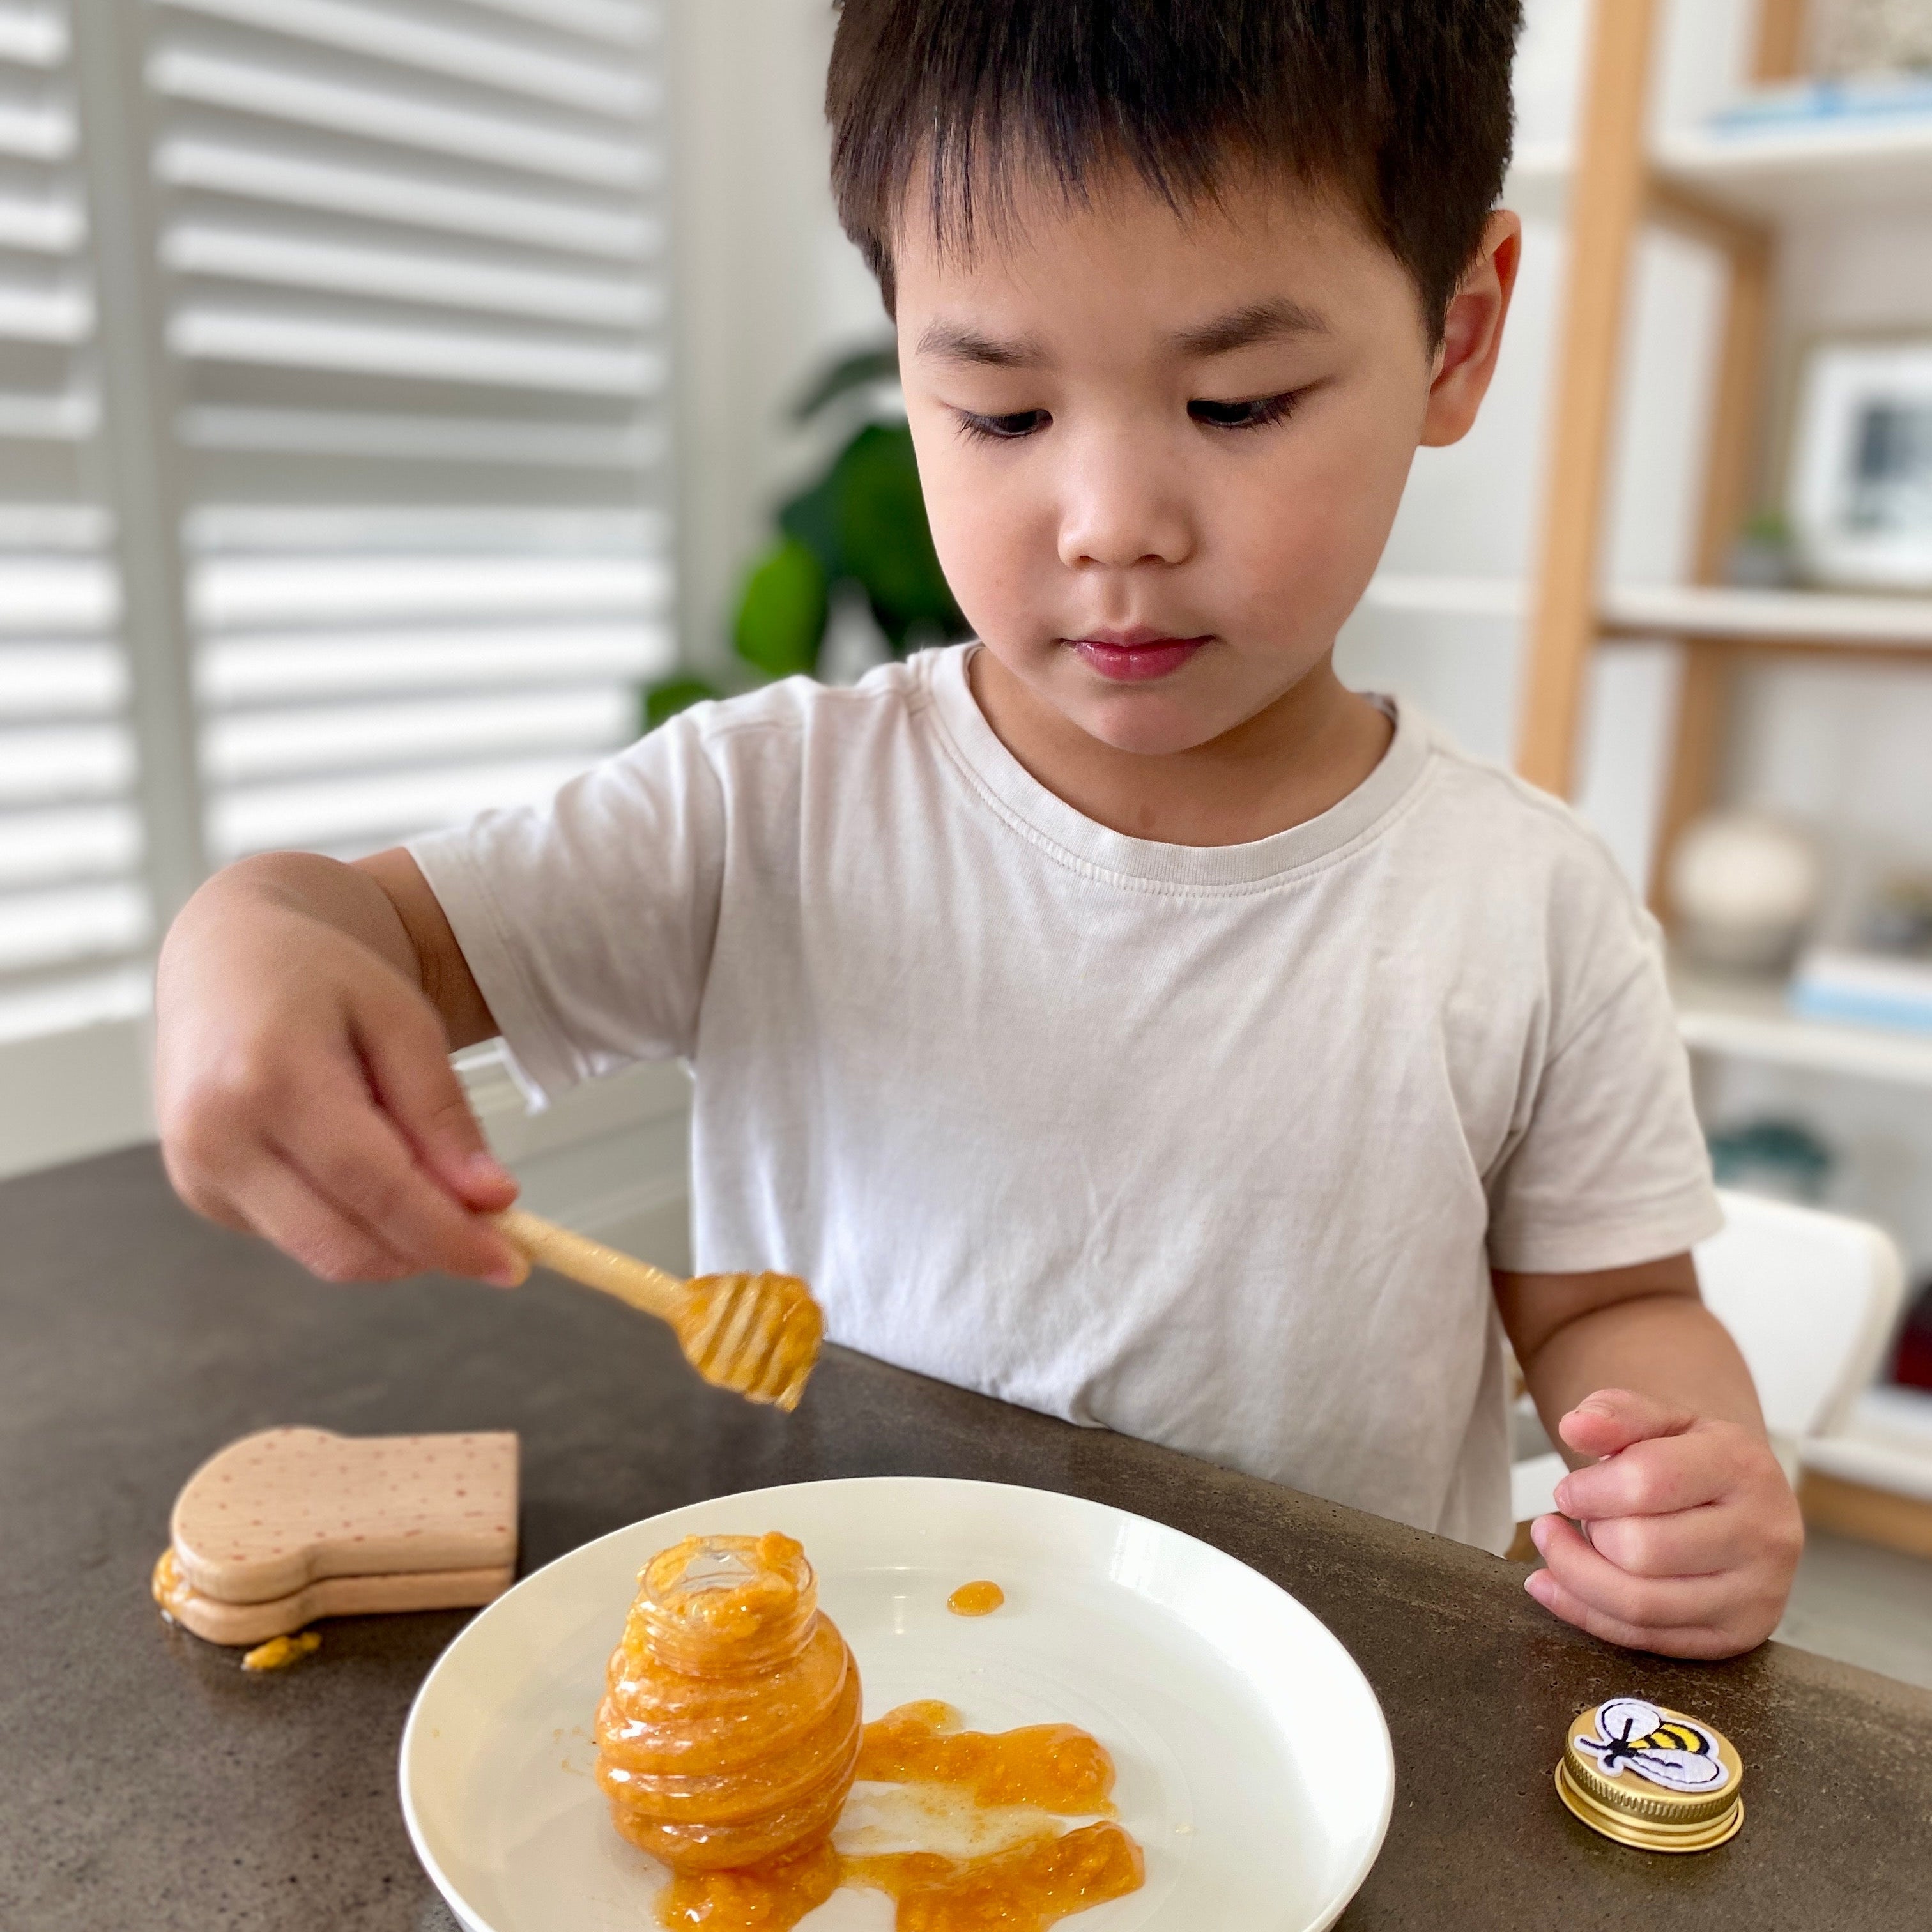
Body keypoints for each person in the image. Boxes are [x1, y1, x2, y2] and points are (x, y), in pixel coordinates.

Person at [154, 0, 1802, 1659]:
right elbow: (366, 930)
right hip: (839, 1698)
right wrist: (249, 954)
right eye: (1003, 414)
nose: (1113, 529)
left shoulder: (1529, 906)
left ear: (1456, 340)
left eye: (1239, 403)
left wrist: (1680, 1471)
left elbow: (1613, 1306)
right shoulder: (767, 807)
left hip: (1325, 1732)